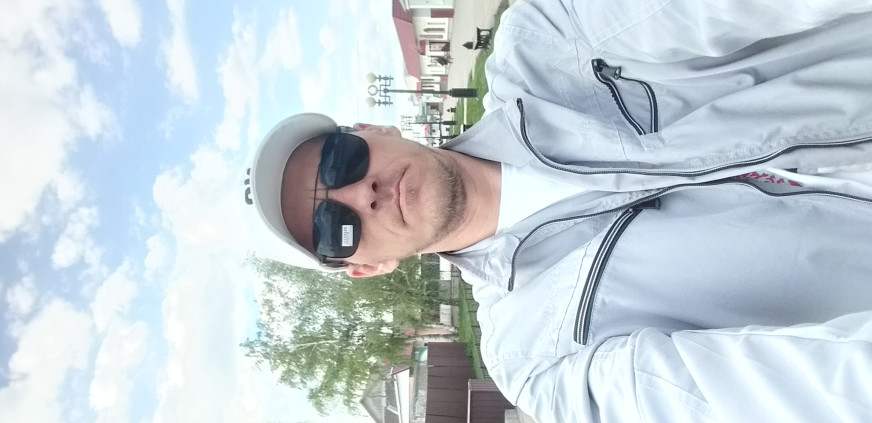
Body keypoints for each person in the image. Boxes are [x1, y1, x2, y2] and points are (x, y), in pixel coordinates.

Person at [246, 2, 872, 422]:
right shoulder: (541, 360)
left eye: (340, 163)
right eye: (336, 229)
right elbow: (787, 392)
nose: (363, 195)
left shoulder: (552, 41)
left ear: (373, 129)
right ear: (368, 269)